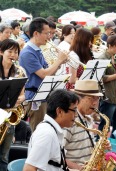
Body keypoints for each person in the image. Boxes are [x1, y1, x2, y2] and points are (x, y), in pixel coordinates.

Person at [19, 17, 68, 132]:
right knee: (37, 131)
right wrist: (59, 60)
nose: (49, 36)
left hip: (42, 95)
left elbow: (48, 71)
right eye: (47, 33)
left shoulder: (37, 50)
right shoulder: (28, 52)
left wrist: (59, 64)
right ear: (36, 33)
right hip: (34, 97)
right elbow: (43, 74)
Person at [23, 89, 81, 171]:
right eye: (74, 110)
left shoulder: (52, 130)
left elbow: (55, 166)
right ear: (59, 111)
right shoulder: (46, 134)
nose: (76, 115)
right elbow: (29, 169)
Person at [63, 79, 103, 168]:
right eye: (91, 99)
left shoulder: (88, 119)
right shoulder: (70, 122)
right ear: (77, 99)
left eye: (97, 98)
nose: (95, 103)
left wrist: (99, 146)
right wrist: (80, 168)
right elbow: (56, 156)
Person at [0, 39, 26, 171]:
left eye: (16, 52)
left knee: (4, 156)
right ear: (1, 52)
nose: (13, 55)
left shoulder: (19, 71)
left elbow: (23, 95)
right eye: (9, 51)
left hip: (9, 118)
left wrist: (20, 99)